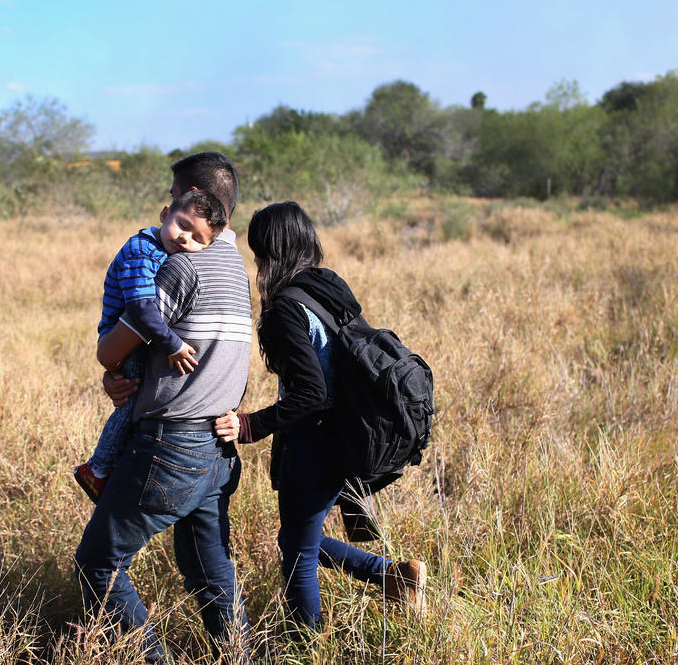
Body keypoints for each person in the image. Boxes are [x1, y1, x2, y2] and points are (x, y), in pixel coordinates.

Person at [213, 201, 426, 632]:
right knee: (298, 543)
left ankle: (308, 647)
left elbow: (312, 392)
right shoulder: (326, 287)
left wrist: (251, 425)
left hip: (316, 441)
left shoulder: (286, 307)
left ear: (270, 251)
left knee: (297, 559)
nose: (256, 262)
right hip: (347, 433)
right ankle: (392, 575)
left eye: (258, 252)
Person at [75, 152, 251, 663]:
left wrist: (112, 370)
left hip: (172, 445)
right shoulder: (235, 266)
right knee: (207, 568)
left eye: (174, 197)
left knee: (98, 564)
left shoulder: (179, 265)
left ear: (190, 199)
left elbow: (111, 349)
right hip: (218, 447)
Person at [73, 187, 230, 503]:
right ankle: (99, 468)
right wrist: (173, 345)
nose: (186, 239)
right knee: (131, 404)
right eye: (182, 225)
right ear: (164, 214)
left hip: (142, 339)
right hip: (127, 340)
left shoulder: (166, 251)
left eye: (199, 240)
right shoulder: (141, 251)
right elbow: (142, 308)